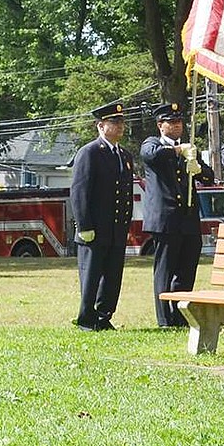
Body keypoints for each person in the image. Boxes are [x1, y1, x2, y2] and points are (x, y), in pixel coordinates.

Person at [140, 102, 215, 328]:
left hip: (188, 219)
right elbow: (151, 155)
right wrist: (177, 151)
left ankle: (182, 314)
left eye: (179, 122)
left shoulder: (188, 149)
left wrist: (199, 168)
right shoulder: (154, 144)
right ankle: (165, 318)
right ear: (160, 125)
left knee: (186, 269)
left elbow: (209, 177)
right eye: (171, 122)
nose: (176, 126)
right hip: (166, 219)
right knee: (165, 271)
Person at [70, 102, 135, 331]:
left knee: (112, 276)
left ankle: (104, 317)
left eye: (121, 122)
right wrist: (84, 225)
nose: (120, 127)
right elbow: (79, 191)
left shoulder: (124, 156)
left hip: (116, 228)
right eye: (114, 122)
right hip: (95, 228)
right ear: (100, 126)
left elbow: (125, 193)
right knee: (91, 276)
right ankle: (87, 319)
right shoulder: (89, 152)